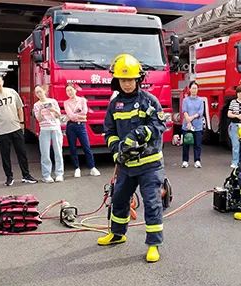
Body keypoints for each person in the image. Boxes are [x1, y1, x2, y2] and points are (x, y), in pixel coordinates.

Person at [101, 54, 167, 263]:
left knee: (152, 203)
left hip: (150, 165)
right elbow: (109, 131)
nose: (127, 84)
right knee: (119, 200)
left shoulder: (149, 101)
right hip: (126, 166)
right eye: (123, 80)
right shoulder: (115, 105)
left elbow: (159, 126)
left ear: (138, 79)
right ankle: (117, 234)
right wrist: (117, 150)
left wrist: (138, 135)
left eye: (130, 79)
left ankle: (153, 244)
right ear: (117, 81)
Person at [0, 73, 37, 186]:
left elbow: (20, 108)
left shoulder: (12, 92)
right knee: (5, 156)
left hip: (16, 128)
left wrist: (22, 122)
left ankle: (26, 175)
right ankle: (9, 177)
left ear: (2, 81)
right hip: (2, 131)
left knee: (22, 153)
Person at [63, 84, 99, 178]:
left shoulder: (82, 100)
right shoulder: (66, 102)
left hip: (81, 126)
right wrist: (79, 115)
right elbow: (70, 115)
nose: (69, 92)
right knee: (72, 148)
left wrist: (77, 115)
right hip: (71, 126)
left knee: (86, 147)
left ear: (75, 90)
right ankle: (76, 168)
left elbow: (85, 112)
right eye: (67, 91)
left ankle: (92, 167)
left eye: (71, 90)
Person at [33, 85, 64, 183]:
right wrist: (41, 111)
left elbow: (58, 115)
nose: (39, 94)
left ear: (44, 91)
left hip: (55, 128)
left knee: (58, 152)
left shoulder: (53, 101)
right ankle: (46, 175)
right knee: (45, 153)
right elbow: (39, 119)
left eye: (40, 91)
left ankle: (59, 174)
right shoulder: (36, 105)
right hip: (44, 129)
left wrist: (52, 109)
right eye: (37, 92)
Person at [181, 81, 206, 168]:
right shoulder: (185, 100)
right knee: (186, 143)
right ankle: (185, 160)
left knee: (197, 144)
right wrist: (188, 121)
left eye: (196, 88)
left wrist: (191, 118)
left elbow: (200, 112)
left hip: (197, 125)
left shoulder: (200, 100)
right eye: (193, 88)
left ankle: (197, 160)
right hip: (187, 125)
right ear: (190, 89)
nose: (194, 90)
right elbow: (184, 111)